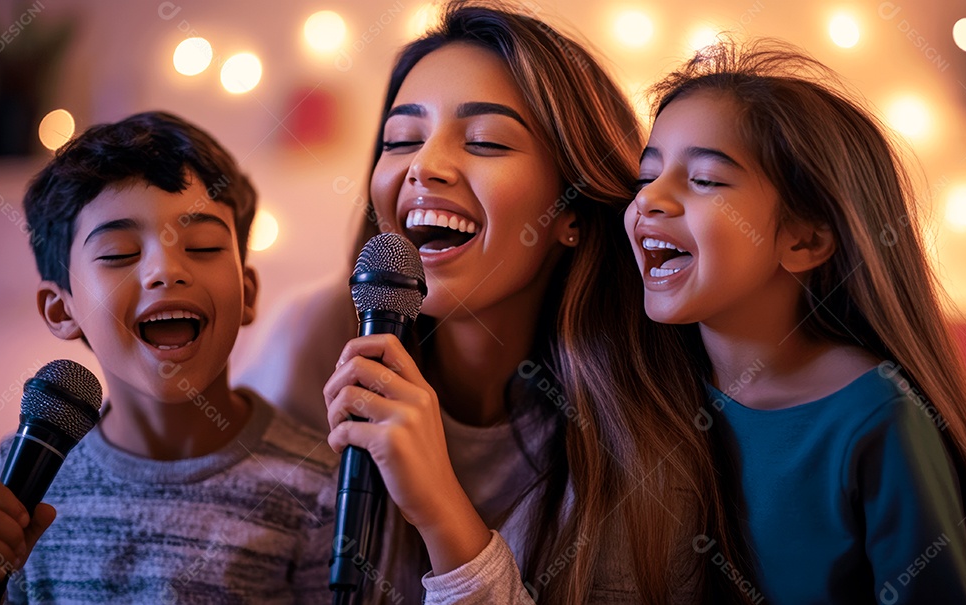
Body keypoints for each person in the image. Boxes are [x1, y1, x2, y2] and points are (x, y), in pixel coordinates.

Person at [241, 2, 753, 603]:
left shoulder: (646, 439)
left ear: (572, 211)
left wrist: (442, 513)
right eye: (401, 139)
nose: (424, 166)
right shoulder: (315, 339)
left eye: (484, 142)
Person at [625, 38, 966, 604]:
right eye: (646, 177)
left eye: (704, 180)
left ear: (805, 239)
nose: (651, 199)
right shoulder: (647, 388)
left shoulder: (877, 417)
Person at [0, 111, 338, 604]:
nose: (165, 270)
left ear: (248, 293)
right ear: (62, 309)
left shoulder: (317, 486)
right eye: (119, 253)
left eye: (203, 245)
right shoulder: (17, 478)